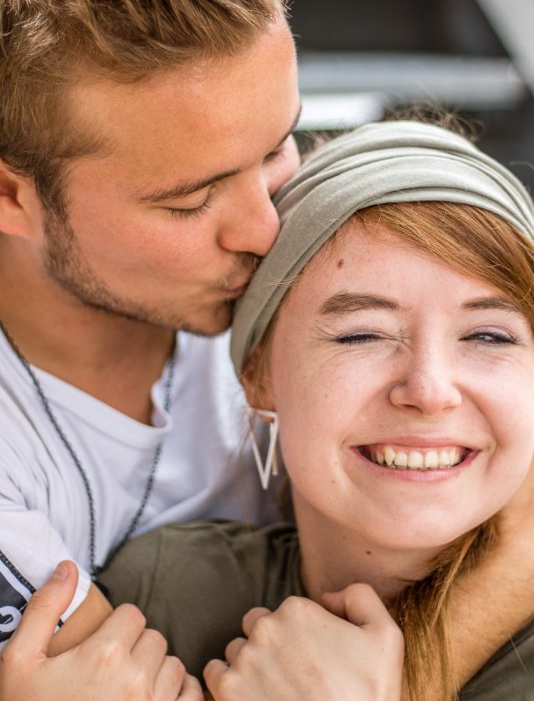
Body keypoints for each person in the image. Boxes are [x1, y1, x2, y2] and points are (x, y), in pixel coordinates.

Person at [0, 0, 533, 697]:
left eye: (278, 144)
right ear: (13, 197)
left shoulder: (303, 280)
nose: (263, 227)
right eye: (190, 200)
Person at [99, 120, 534, 700]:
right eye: (361, 335)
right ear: (257, 376)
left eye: (488, 336)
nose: (429, 391)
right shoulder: (159, 600)